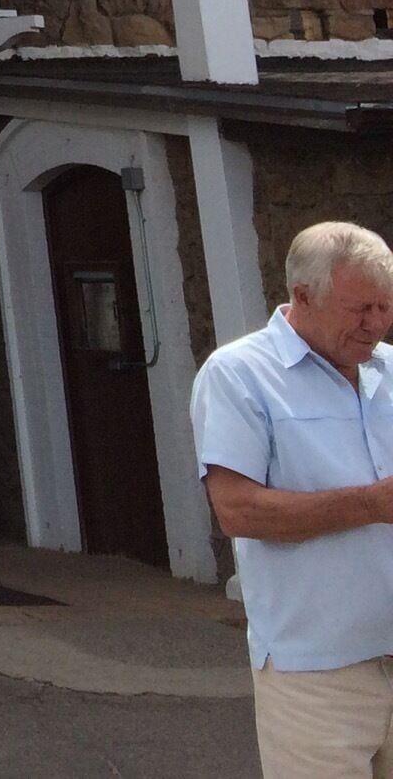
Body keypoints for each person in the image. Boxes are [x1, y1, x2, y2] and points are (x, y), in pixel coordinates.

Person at [191, 220, 393, 777]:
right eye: (360, 309)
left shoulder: (392, 370)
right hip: (318, 670)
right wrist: (373, 504)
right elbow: (237, 510)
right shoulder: (238, 375)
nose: (376, 324)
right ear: (302, 296)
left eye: (385, 306)